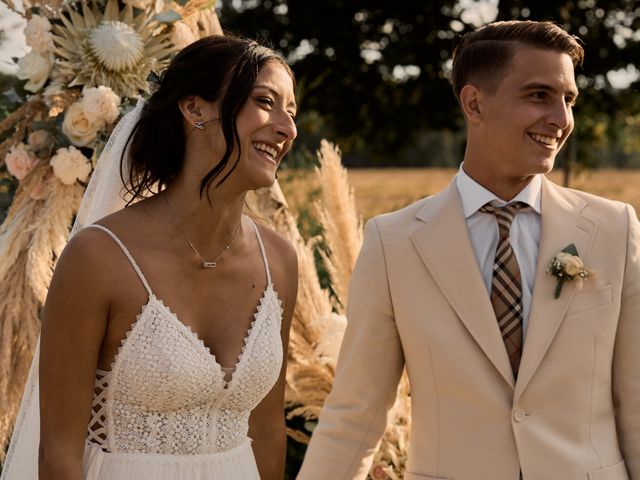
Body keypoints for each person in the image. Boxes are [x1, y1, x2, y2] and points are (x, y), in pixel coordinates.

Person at [298, 20, 639, 480]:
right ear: (474, 103)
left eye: (568, 99)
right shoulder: (394, 243)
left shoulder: (614, 228)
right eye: (539, 95)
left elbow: (636, 402)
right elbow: (355, 417)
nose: (561, 119)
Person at [2, 35, 298, 480]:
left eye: (291, 113)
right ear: (194, 109)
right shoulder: (98, 258)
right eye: (265, 102)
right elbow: (59, 454)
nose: (287, 128)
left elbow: (269, 430)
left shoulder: (279, 260)